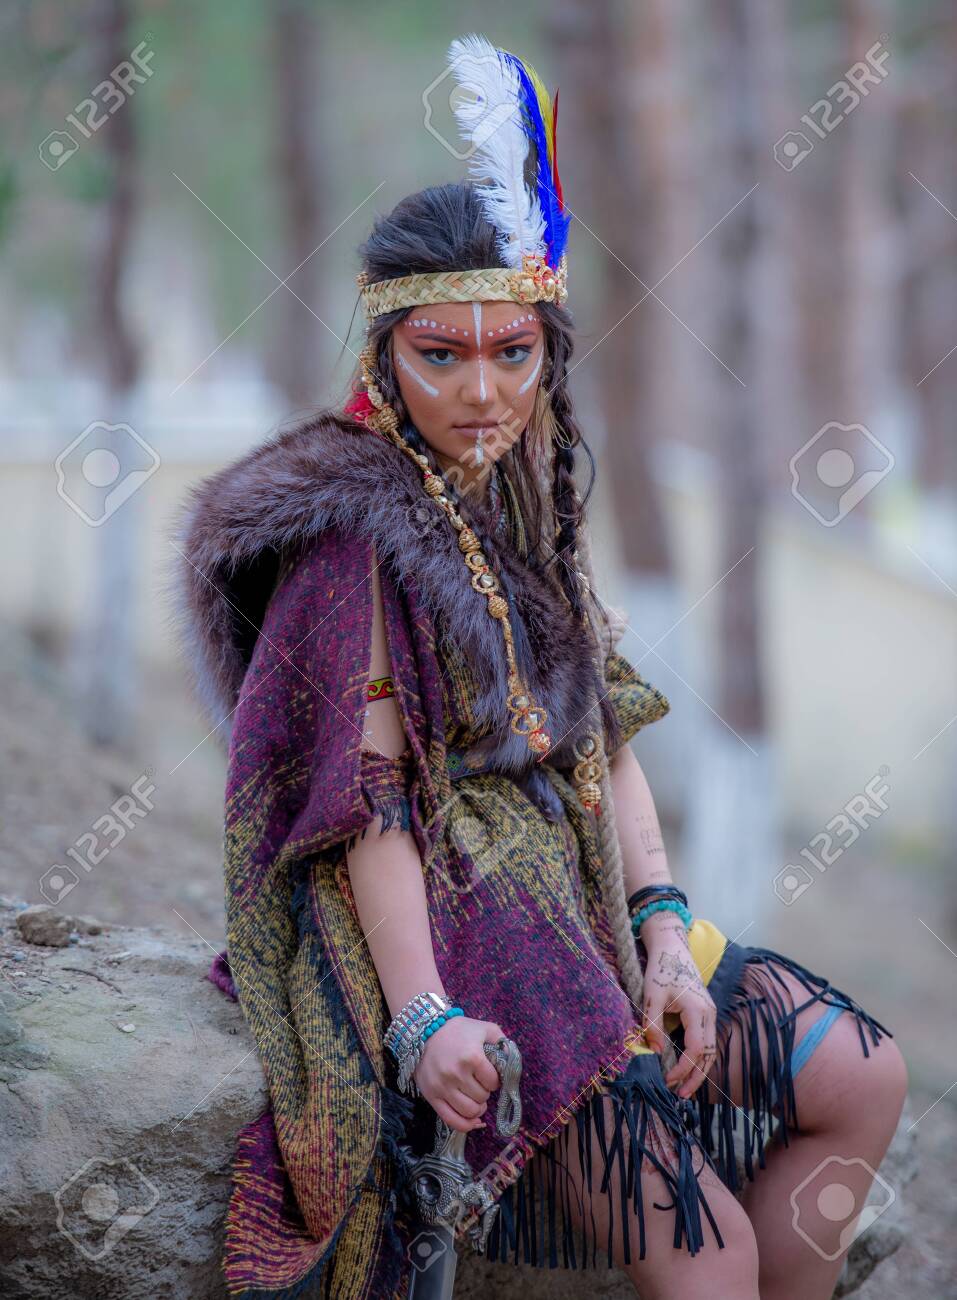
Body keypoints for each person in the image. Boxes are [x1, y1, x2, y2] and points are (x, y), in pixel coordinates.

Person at [169, 34, 907, 1300]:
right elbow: (367, 811)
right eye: (438, 356)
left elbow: (601, 737)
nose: (481, 391)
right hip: (470, 922)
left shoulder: (518, 500)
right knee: (708, 1255)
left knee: (865, 1076)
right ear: (380, 355)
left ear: (546, 348)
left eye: (512, 352)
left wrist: (666, 933)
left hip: (580, 885)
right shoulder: (350, 534)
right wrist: (421, 1019)